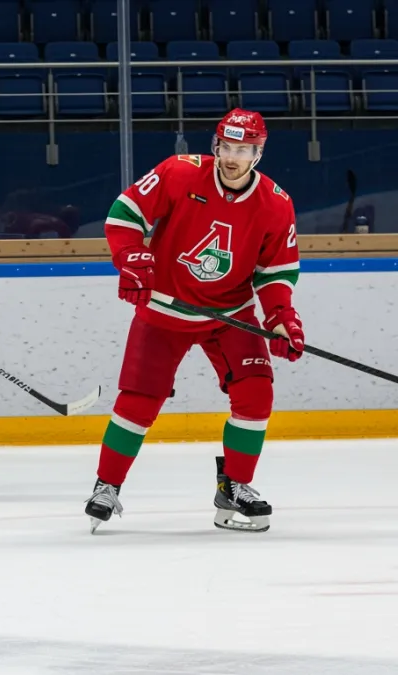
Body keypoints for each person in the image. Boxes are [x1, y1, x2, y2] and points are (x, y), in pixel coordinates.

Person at [86, 109, 303, 534]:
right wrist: (131, 258)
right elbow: (124, 215)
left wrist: (281, 318)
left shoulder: (276, 204)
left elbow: (275, 273)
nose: (232, 158)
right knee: (138, 402)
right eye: (227, 147)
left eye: (243, 150)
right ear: (216, 146)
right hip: (164, 311)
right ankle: (106, 486)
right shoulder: (179, 172)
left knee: (256, 393)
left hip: (230, 316)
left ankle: (235, 485)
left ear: (258, 154)